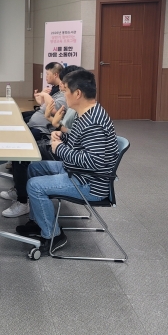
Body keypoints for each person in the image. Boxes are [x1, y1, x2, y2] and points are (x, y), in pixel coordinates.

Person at [16, 70, 120, 257]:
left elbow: (93, 161)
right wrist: (62, 136)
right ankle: (38, 221)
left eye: (66, 92)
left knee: (34, 185)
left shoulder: (93, 122)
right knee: (34, 168)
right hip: (78, 172)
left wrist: (59, 149)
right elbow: (80, 142)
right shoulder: (86, 112)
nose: (64, 96)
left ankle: (53, 236)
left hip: (89, 183)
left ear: (77, 93)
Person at [0, 64, 76, 218]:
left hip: (56, 148)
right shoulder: (72, 103)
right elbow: (64, 129)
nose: (61, 86)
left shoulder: (82, 111)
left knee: (20, 154)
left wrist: (57, 138)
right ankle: (20, 190)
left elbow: (74, 144)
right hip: (56, 142)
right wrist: (54, 124)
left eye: (64, 84)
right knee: (19, 149)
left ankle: (23, 202)